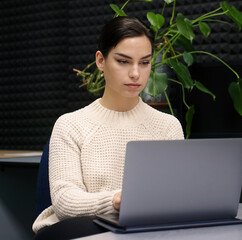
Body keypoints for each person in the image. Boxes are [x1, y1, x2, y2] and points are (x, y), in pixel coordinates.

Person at [33, 16, 184, 239]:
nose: (135, 73)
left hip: (145, 227)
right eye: (123, 61)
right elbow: (65, 202)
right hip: (77, 227)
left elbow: (178, 195)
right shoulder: (70, 124)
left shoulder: (168, 126)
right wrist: (117, 200)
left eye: (144, 62)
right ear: (100, 61)